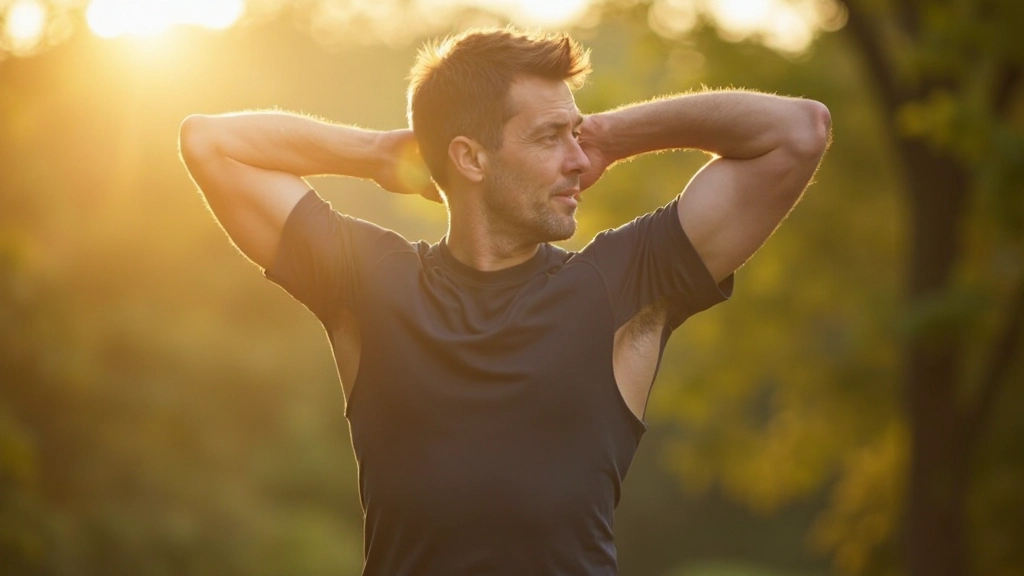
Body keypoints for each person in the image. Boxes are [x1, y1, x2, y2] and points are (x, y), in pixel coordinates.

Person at [178, 26, 830, 576]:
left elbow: (799, 131)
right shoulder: (371, 284)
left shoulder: (618, 286)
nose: (578, 161)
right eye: (551, 138)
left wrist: (607, 134)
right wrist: (379, 152)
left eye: (576, 137)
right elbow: (210, 142)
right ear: (470, 158)